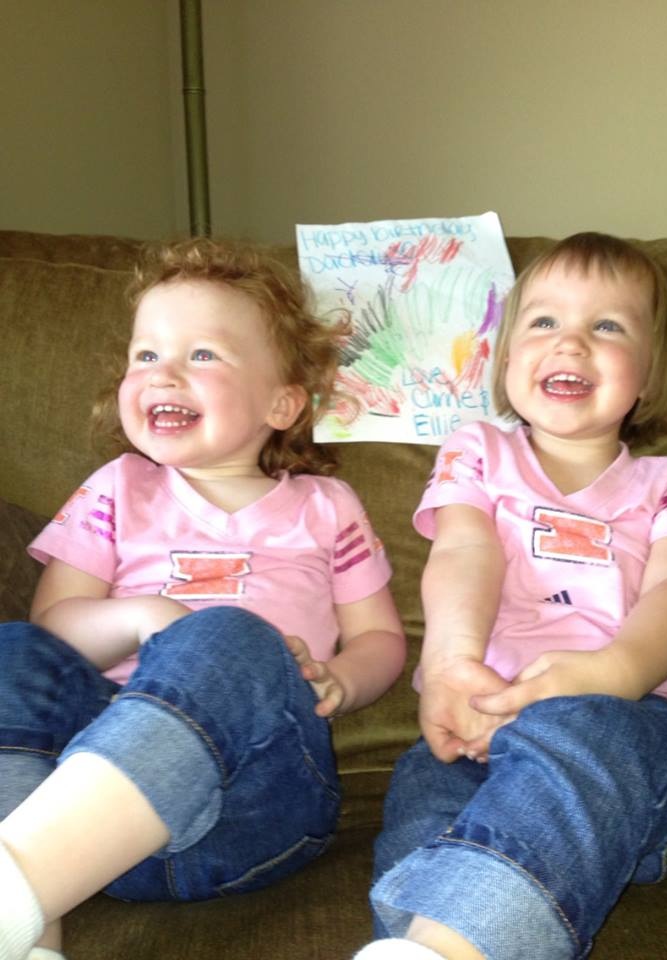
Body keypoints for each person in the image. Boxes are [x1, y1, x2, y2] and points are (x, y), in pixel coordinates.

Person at [0, 238, 406, 960]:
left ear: (281, 401)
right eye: (146, 354)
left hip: (250, 803)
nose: (163, 373)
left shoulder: (326, 506)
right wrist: (143, 618)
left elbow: (380, 637)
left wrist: (343, 680)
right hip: (84, 820)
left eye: (202, 354)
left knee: (230, 637)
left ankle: (16, 891)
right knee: (12, 652)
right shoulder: (118, 489)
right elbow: (53, 631)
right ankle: (31, 927)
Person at [352, 232, 667, 960]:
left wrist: (611, 672)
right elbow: (465, 550)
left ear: (650, 374)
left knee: (581, 742)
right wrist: (452, 664)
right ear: (506, 358)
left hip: (627, 735)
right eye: (544, 321)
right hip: (475, 725)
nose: (570, 343)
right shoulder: (476, 451)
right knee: (423, 833)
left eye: (607, 326)